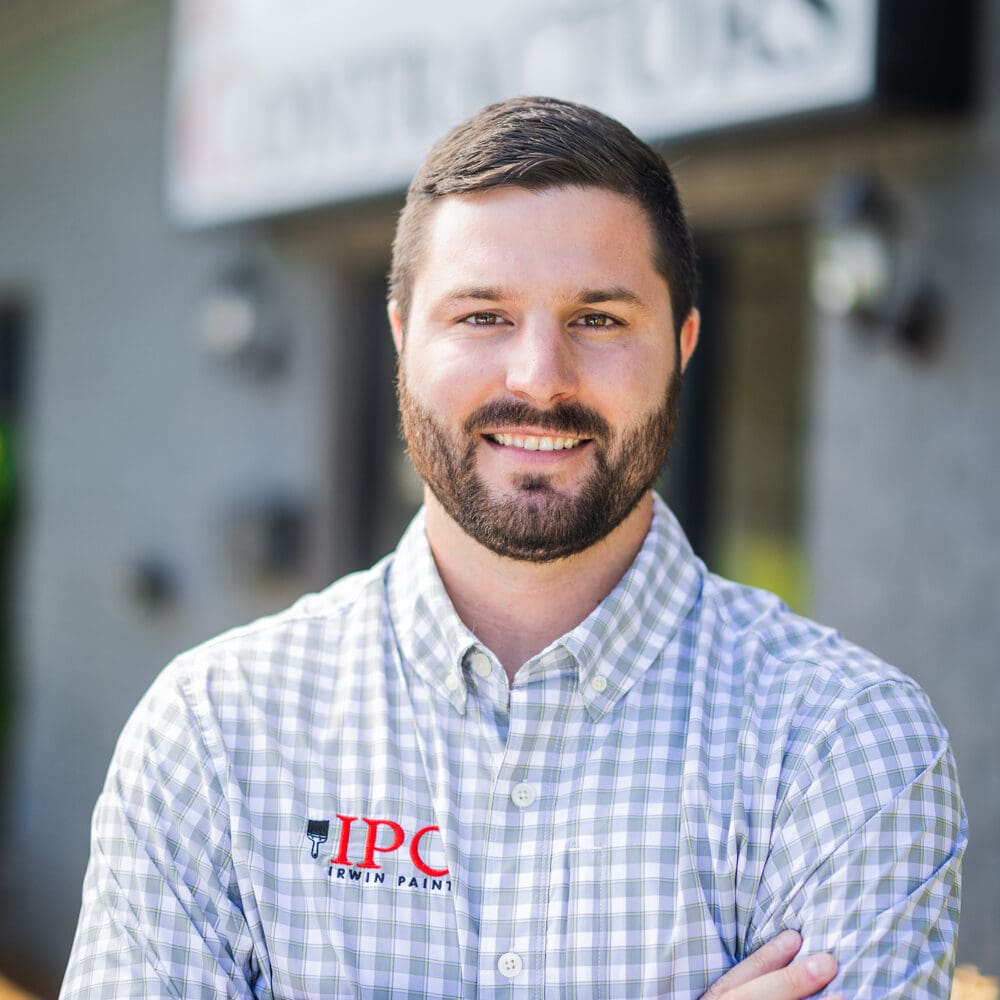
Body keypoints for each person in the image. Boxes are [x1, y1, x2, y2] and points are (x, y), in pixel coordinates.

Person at [61, 96, 965, 999]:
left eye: (600, 319)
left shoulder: (844, 744)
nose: (539, 377)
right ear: (402, 339)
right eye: (483, 316)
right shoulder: (217, 733)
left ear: (683, 346)